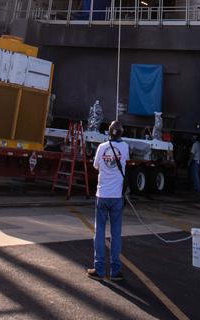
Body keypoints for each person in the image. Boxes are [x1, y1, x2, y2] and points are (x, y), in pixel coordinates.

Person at [87, 120, 129, 283]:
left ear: (109, 132)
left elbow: (96, 165)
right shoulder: (124, 147)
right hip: (117, 196)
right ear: (121, 133)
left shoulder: (101, 148)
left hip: (102, 194)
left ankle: (98, 268)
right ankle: (115, 271)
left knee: (99, 233)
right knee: (116, 234)